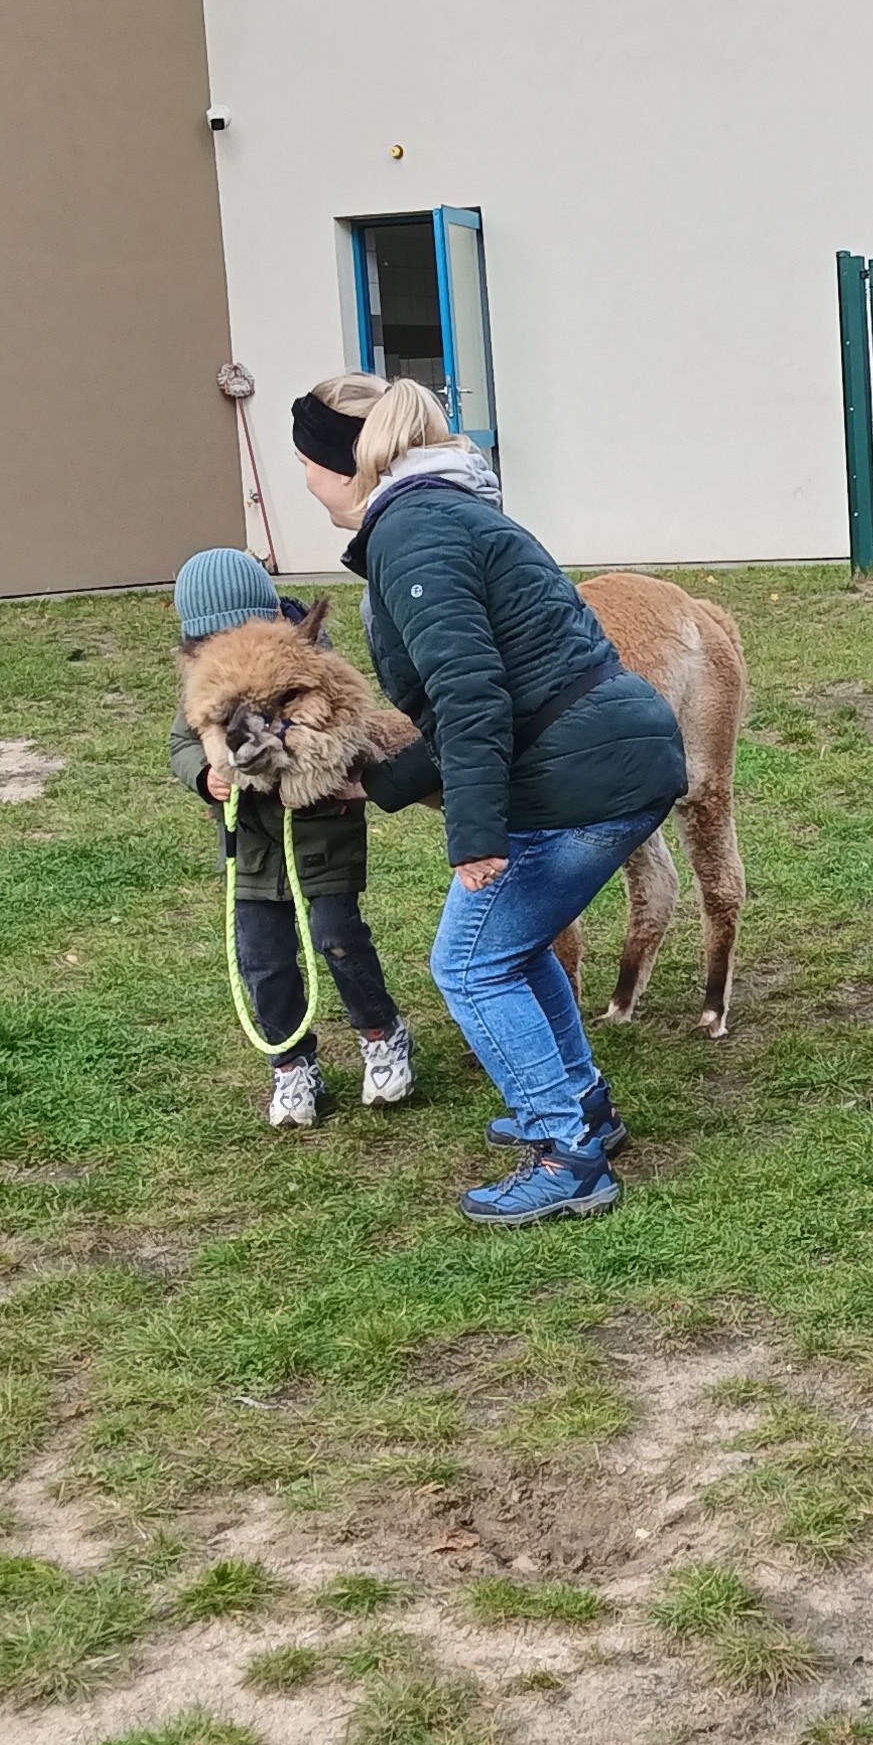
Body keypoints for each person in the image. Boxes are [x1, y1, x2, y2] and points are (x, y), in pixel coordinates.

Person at [288, 374, 688, 1225]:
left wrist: (474, 837)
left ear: (343, 463)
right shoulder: (444, 512)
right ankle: (583, 1108)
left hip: (580, 778)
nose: (305, 483)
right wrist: (381, 784)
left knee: (470, 964)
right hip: (609, 758)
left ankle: (565, 1154)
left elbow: (471, 695)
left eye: (306, 464)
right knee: (517, 942)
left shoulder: (412, 532)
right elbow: (476, 702)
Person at [170, 547, 417, 1130]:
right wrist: (205, 777)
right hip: (252, 846)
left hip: (322, 833)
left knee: (338, 938)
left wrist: (315, 768)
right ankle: (291, 1065)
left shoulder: (308, 665)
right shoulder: (209, 679)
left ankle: (381, 1034)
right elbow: (184, 741)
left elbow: (347, 724)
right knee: (262, 957)